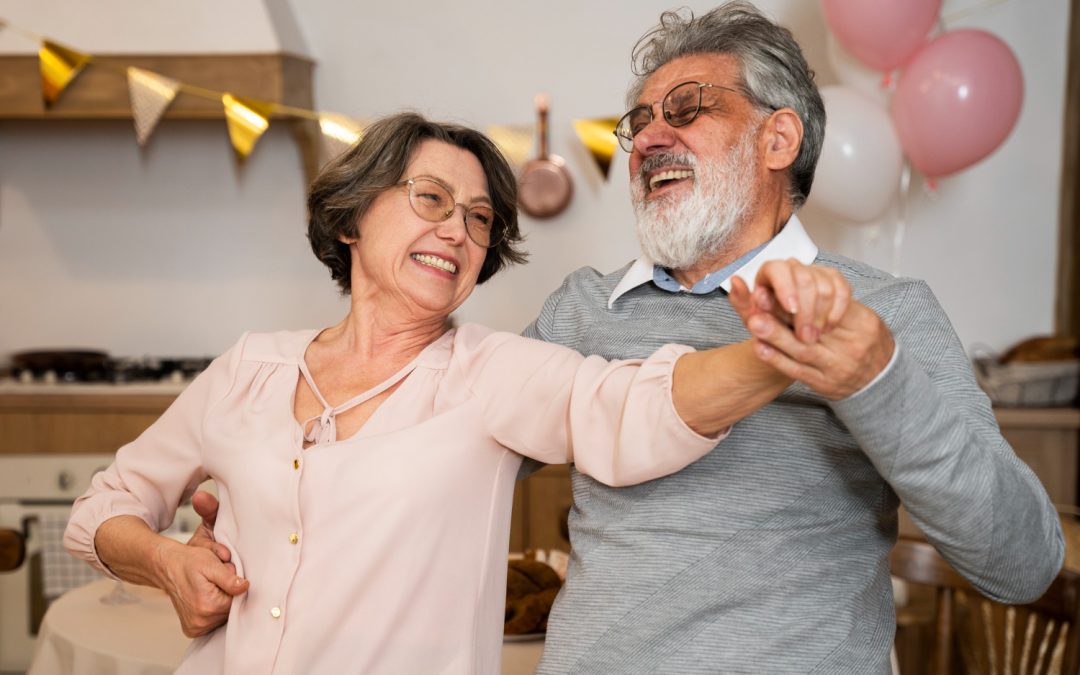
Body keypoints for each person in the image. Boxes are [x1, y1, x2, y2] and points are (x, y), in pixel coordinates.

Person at [64, 112, 847, 674]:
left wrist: (771, 355)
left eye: (478, 219)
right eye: (430, 199)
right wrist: (166, 562)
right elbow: (104, 507)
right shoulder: (249, 367)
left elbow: (633, 408)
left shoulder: (492, 375)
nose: (458, 232)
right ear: (352, 218)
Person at [519, 4, 1063, 673]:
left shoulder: (885, 311)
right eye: (640, 121)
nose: (649, 138)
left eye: (688, 108)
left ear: (778, 140)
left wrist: (876, 380)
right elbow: (457, 440)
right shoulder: (580, 308)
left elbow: (1024, 563)